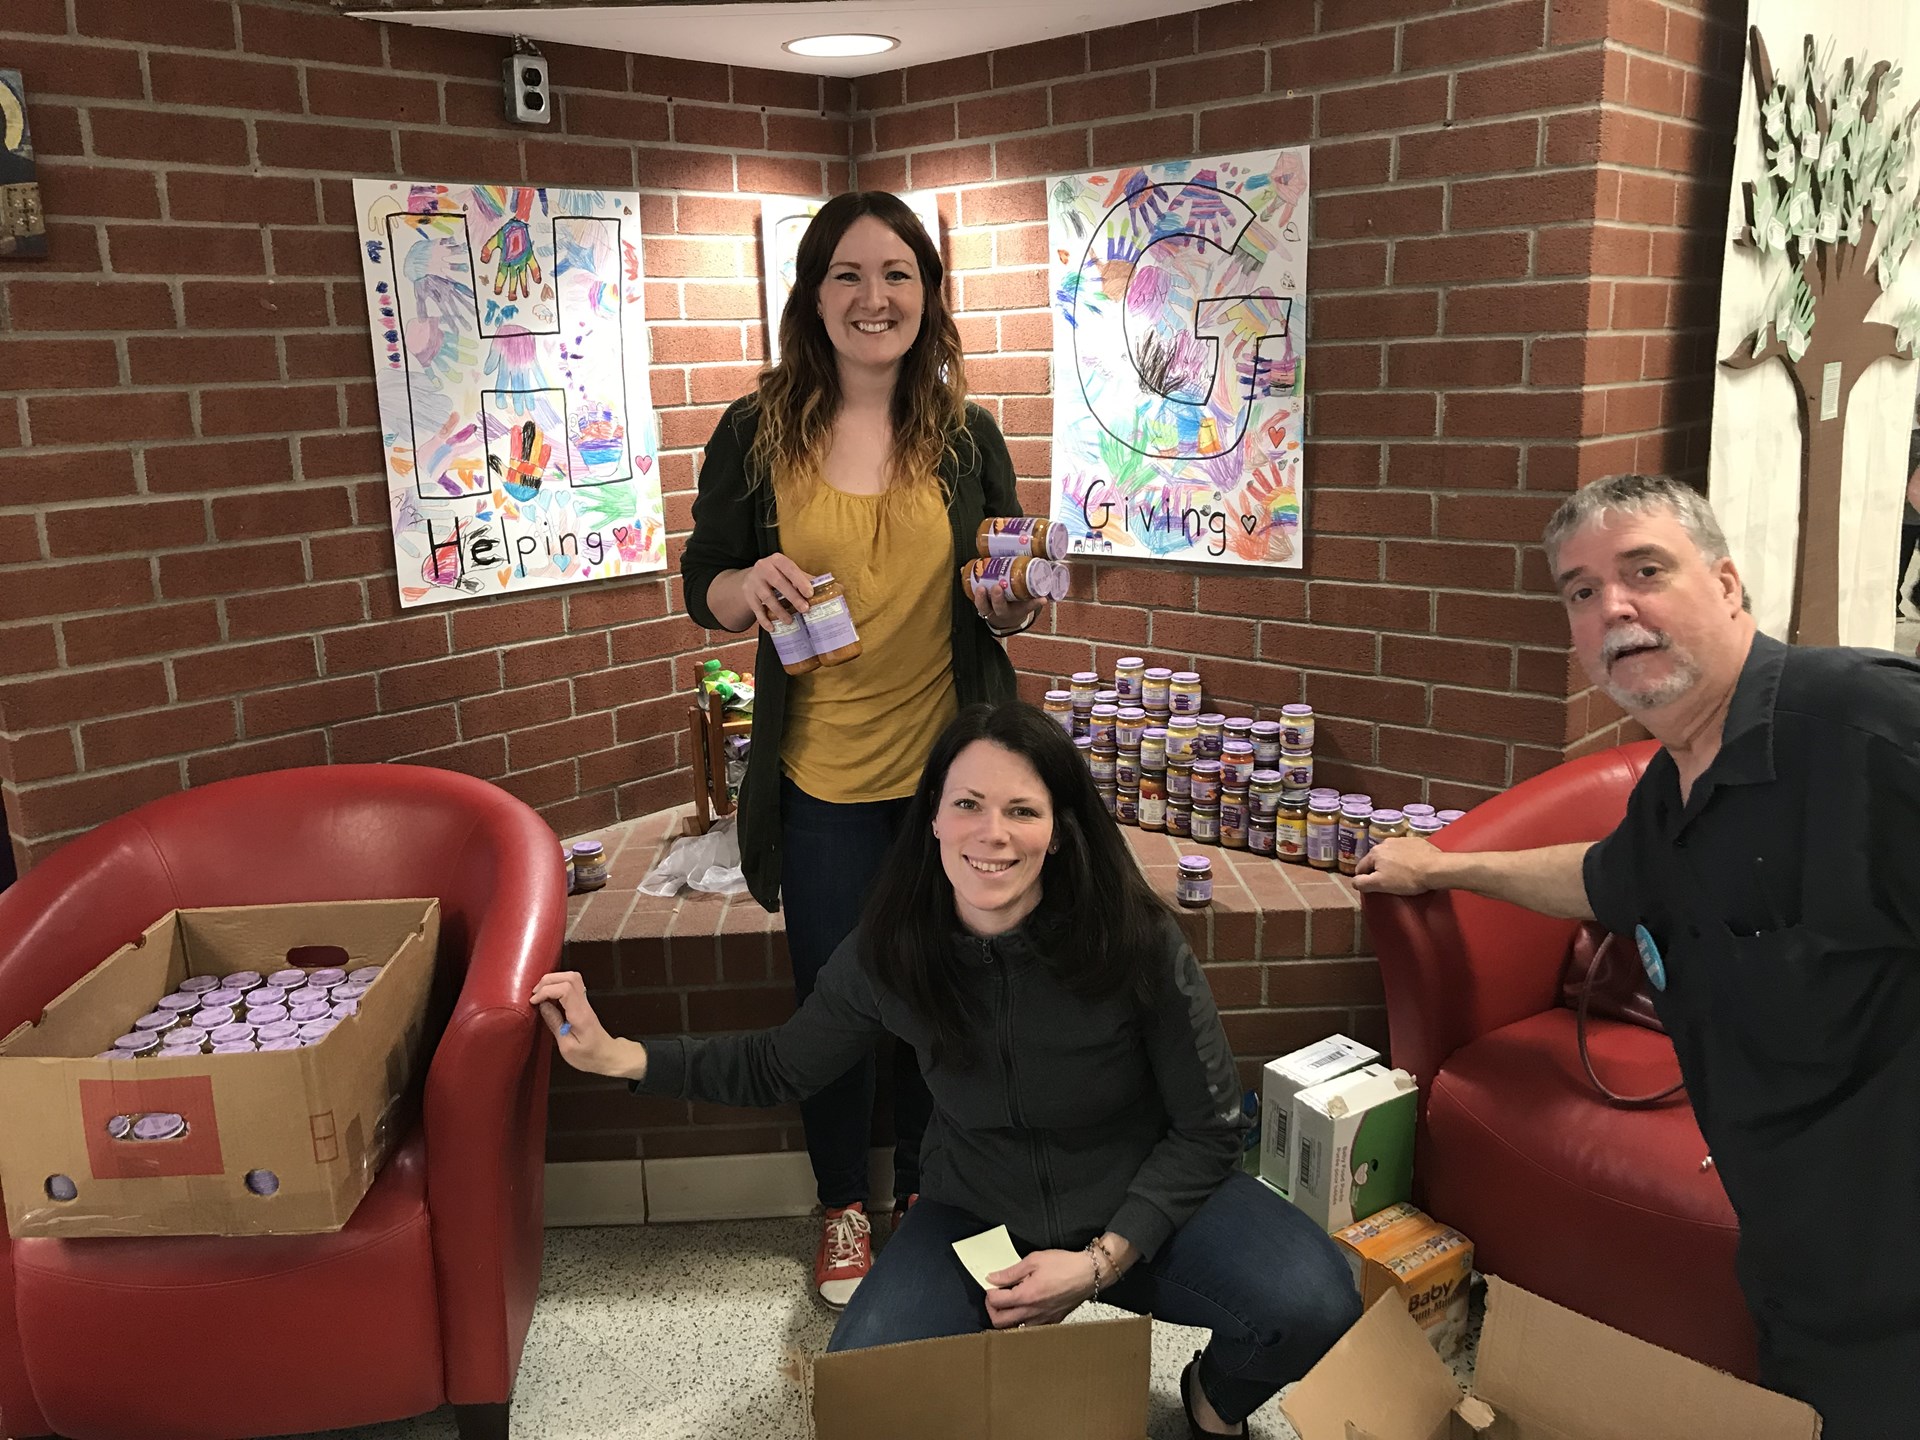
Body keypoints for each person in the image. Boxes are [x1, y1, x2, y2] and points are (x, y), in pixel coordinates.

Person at [533, 703, 1362, 1438]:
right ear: (931, 816)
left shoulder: (1132, 940)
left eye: (1020, 810)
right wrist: (621, 1058)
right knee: (874, 1387)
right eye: (966, 804)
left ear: (1060, 827)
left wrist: (1103, 1259)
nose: (990, 834)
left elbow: (1209, 1129)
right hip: (979, 1213)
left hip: (1140, 1195)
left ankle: (1212, 1402)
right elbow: (783, 1064)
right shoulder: (893, 951)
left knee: (1316, 1301)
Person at [1355, 473, 1920, 1439]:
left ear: (1730, 586)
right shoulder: (1673, 789)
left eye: (1645, 571)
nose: (1613, 605)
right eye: (1581, 591)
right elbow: (1600, 878)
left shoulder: (1863, 727)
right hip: (1795, 1248)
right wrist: (1443, 865)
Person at [678, 191, 1045, 1307]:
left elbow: (1003, 595)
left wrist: (1022, 593)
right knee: (837, 1005)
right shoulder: (756, 430)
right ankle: (843, 1203)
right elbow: (705, 582)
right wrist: (746, 585)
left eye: (897, 274)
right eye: (847, 274)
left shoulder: (967, 432)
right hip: (822, 782)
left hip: (950, 783)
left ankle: (931, 1196)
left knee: (951, 999)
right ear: (812, 293)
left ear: (928, 294)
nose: (872, 297)